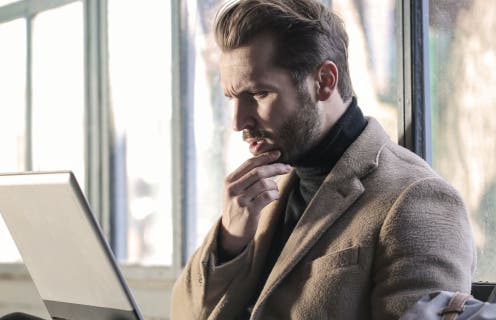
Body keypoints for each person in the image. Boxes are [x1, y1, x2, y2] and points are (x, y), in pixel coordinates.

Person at [170, 0, 475, 319]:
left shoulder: (418, 201)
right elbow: (182, 313)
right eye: (233, 98)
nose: (238, 121)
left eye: (258, 94)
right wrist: (231, 240)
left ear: (325, 81)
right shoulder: (263, 193)